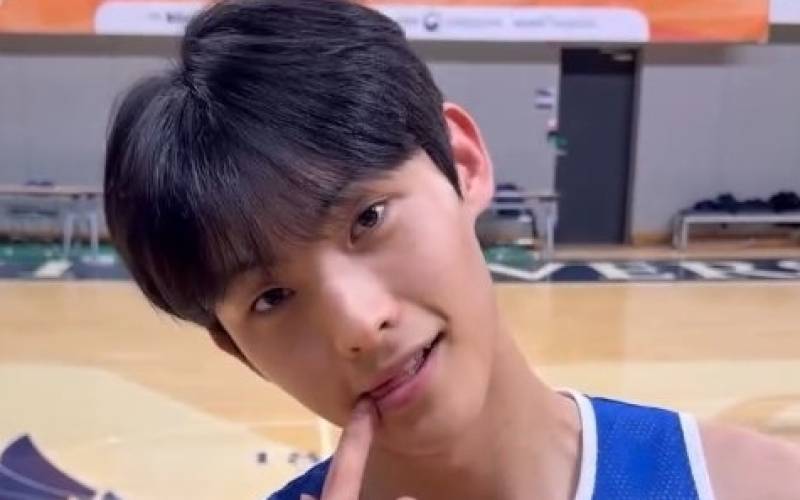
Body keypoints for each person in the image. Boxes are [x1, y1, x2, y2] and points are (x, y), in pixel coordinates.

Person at [102, 0, 800, 498]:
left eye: (369, 218)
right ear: (234, 347)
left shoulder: (750, 483)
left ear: (462, 163)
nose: (356, 323)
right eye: (272, 297)